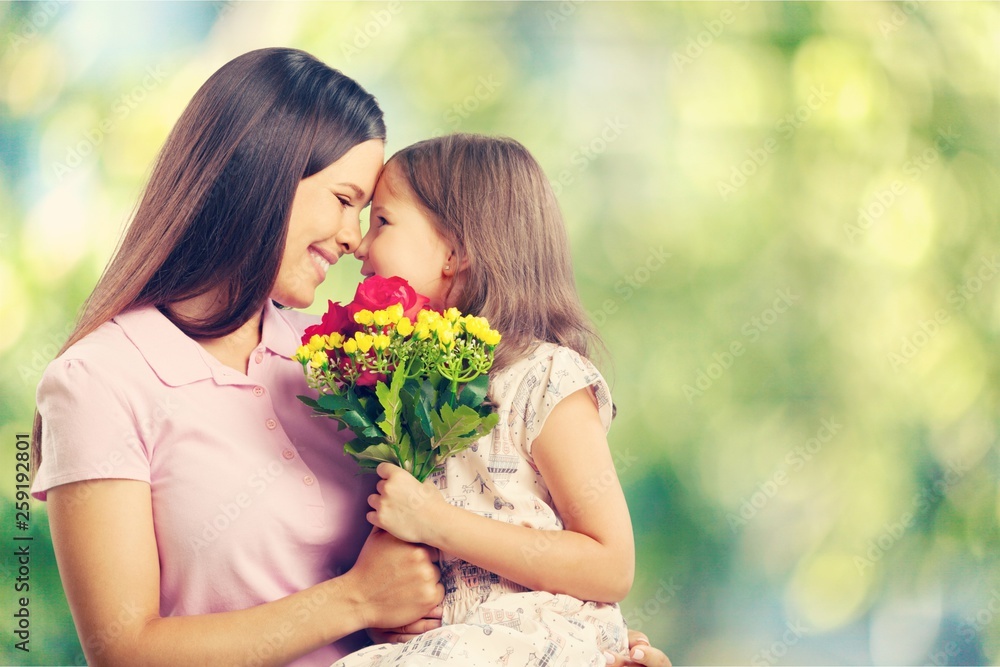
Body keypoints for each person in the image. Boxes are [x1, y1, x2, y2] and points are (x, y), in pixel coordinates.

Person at [30, 47, 444, 666]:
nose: (355, 237)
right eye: (344, 199)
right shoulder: (98, 381)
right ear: (266, 174)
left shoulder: (335, 354)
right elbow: (125, 651)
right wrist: (354, 601)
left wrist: (580, 637)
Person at [334, 133, 670, 667]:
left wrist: (437, 522)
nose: (357, 244)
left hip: (536, 644)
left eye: (383, 222)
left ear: (455, 253)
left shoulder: (545, 379)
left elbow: (611, 566)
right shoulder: (409, 390)